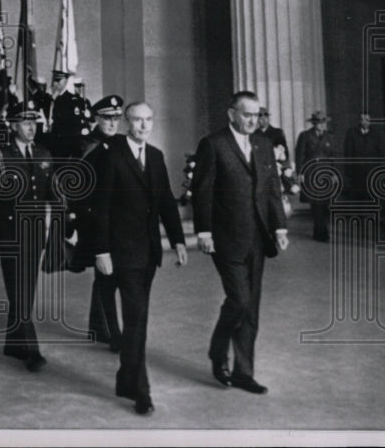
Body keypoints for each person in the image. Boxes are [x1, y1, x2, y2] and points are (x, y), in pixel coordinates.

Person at [87, 101, 187, 416]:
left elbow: (167, 203)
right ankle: (141, 391)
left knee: (136, 320)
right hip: (122, 253)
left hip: (149, 254)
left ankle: (125, 377)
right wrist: (101, 251)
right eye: (137, 121)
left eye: (148, 120)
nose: (144, 126)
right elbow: (101, 209)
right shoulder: (111, 157)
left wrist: (179, 240)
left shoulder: (156, 157)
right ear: (128, 123)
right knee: (137, 318)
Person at [191, 90, 289, 394]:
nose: (253, 120)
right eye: (247, 114)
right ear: (231, 113)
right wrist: (204, 232)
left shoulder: (263, 144)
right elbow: (202, 192)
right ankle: (218, 350)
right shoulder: (213, 144)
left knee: (252, 309)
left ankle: (243, 373)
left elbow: (271, 189)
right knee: (240, 300)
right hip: (225, 239)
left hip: (258, 238)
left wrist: (280, 228)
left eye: (256, 115)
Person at [0, 103, 58, 372]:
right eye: (25, 123)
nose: (31, 127)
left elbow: (52, 193)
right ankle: (31, 351)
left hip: (35, 232)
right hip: (9, 233)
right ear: (13, 126)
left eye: (33, 122)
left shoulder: (43, 153)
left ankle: (13, 344)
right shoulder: (1, 156)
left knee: (26, 291)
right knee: (19, 290)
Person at [79, 94, 126, 352]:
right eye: (107, 118)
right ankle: (111, 332)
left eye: (116, 118)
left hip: (121, 219)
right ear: (97, 118)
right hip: (98, 216)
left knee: (109, 276)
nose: (112, 123)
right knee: (106, 275)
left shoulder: (122, 142)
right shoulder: (88, 144)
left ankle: (98, 326)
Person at [295, 110, 336, 241]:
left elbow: (333, 157)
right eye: (319, 122)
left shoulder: (330, 137)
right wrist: (300, 173)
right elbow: (299, 155)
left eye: (323, 122)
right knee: (316, 203)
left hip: (325, 173)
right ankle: (322, 233)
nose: (322, 125)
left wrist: (334, 173)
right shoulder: (305, 136)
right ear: (314, 123)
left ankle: (318, 231)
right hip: (311, 172)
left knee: (323, 203)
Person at [342, 113, 385, 202]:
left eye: (367, 120)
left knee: (372, 197)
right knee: (359, 198)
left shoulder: (376, 134)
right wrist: (349, 171)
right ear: (359, 120)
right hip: (357, 173)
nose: (365, 122)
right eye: (363, 120)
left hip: (372, 172)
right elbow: (348, 153)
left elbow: (381, 153)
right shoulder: (351, 133)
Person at [49, 70, 92, 161]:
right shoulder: (58, 99)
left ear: (65, 81)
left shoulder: (74, 100)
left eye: (58, 80)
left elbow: (76, 123)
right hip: (61, 140)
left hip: (71, 141)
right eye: (55, 80)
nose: (55, 83)